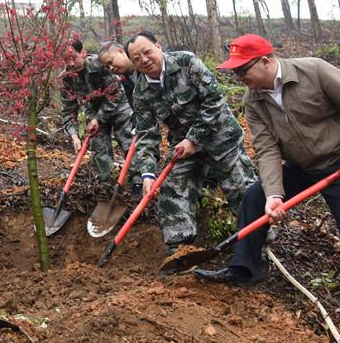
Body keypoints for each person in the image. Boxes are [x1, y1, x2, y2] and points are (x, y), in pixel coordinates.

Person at [195, 34, 340, 326]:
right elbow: (266, 149)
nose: (239, 77)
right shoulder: (253, 101)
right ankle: (245, 269)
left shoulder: (313, 70)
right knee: (255, 196)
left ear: (264, 61)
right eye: (234, 72)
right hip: (301, 167)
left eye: (242, 70)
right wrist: (274, 194)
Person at [126, 31, 256, 256]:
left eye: (147, 52)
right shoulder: (140, 92)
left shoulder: (186, 62)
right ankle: (181, 251)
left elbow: (215, 100)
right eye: (136, 59)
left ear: (158, 46)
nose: (144, 60)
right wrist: (147, 174)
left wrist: (194, 138)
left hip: (221, 137)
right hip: (184, 148)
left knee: (242, 190)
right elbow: (147, 134)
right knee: (171, 189)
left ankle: (256, 249)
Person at [60, 39, 139, 192]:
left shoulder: (101, 64)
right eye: (66, 60)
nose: (70, 64)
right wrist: (74, 136)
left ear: (82, 52)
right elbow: (68, 110)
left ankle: (137, 181)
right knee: (98, 146)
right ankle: (104, 185)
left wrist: (99, 117)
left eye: (73, 57)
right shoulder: (66, 78)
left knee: (128, 139)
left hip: (118, 106)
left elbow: (115, 93)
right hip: (93, 112)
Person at [97, 40, 137, 109]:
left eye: (110, 62)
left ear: (121, 51)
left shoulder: (144, 66)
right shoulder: (125, 80)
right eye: (107, 67)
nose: (111, 68)